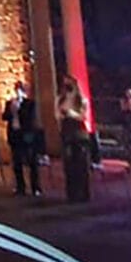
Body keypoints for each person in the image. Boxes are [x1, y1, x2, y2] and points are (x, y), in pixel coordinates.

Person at [2, 80, 42, 196]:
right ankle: (20, 187)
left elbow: (30, 119)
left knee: (31, 161)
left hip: (26, 134)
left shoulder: (29, 103)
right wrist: (12, 111)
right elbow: (4, 117)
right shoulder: (10, 103)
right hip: (14, 134)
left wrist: (19, 109)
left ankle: (35, 187)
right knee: (17, 161)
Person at [57, 75, 90, 203]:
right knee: (69, 164)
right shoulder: (60, 99)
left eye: (69, 85)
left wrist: (70, 113)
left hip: (79, 133)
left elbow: (83, 116)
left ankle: (84, 193)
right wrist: (62, 113)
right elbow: (57, 115)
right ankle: (71, 193)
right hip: (66, 132)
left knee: (81, 164)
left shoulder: (82, 100)